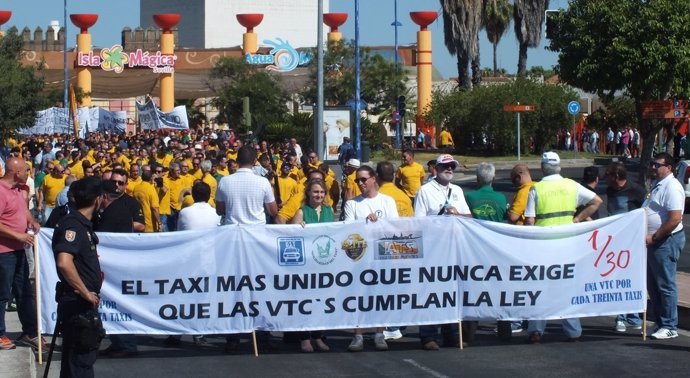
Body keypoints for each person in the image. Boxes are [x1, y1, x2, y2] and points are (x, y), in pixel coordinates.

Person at [524, 151, 603, 343]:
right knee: (567, 286)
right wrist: (577, 219)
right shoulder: (571, 185)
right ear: (559, 167)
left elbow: (529, 221)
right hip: (568, 244)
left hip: (543, 246)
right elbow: (596, 201)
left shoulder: (536, 189)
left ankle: (536, 330)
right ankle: (573, 330)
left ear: (542, 167)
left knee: (540, 287)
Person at [215, 145, 278, 353]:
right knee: (259, 285)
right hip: (256, 239)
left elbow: (220, 209)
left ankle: (233, 337)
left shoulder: (225, 181)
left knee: (233, 286)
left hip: (233, 238)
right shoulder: (262, 182)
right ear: (255, 161)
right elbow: (272, 210)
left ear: (237, 159)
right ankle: (262, 334)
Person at [414, 154, 471, 350]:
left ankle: (452, 334)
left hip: (452, 248)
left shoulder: (457, 190)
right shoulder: (425, 191)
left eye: (452, 167)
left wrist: (457, 214)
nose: (450, 170)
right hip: (432, 249)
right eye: (446, 166)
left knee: (451, 292)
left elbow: (469, 217)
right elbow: (418, 222)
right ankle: (428, 335)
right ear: (436, 169)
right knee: (430, 293)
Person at [51, 177, 105, 378]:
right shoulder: (73, 225)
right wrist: (85, 293)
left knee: (76, 364)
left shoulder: (83, 224)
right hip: (77, 303)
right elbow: (64, 262)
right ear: (98, 199)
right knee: (80, 365)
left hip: (80, 304)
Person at [343, 165, 399, 352]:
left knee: (380, 295)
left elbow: (394, 228)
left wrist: (379, 223)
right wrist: (364, 223)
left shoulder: (388, 201)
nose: (360, 183)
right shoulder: (352, 204)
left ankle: (379, 333)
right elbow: (349, 231)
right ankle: (358, 335)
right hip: (360, 257)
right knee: (359, 296)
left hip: (382, 256)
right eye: (357, 180)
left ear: (374, 178)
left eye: (363, 179)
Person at [0, 157, 42, 351]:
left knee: (25, 292)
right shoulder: (1, 191)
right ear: (16, 172)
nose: (28, 173)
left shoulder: (18, 190)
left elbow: (23, 210)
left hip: (18, 250)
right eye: (26, 170)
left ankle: (30, 332)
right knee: (3, 294)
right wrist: (17, 234)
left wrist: (32, 221)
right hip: (4, 253)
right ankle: (0, 334)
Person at [288, 179, 333, 353]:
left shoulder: (329, 211)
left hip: (324, 264)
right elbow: (291, 237)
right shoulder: (301, 212)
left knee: (321, 303)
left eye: (321, 192)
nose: (319, 195)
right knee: (305, 302)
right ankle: (304, 338)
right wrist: (298, 228)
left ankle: (318, 336)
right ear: (308, 193)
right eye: (315, 192)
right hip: (306, 265)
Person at [643, 152, 685, 339]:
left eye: (657, 165)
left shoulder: (672, 186)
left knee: (666, 285)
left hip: (665, 241)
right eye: (652, 164)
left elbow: (675, 218)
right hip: (655, 242)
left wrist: (656, 237)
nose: (653, 167)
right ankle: (661, 322)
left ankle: (669, 325)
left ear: (668, 167)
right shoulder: (657, 185)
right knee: (653, 285)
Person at [603, 162, 646, 332]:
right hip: (615, 240)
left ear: (616, 176)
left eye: (607, 175)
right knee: (617, 277)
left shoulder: (636, 190)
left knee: (633, 278)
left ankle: (633, 317)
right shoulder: (610, 189)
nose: (605, 179)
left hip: (633, 240)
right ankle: (620, 317)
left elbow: (646, 210)